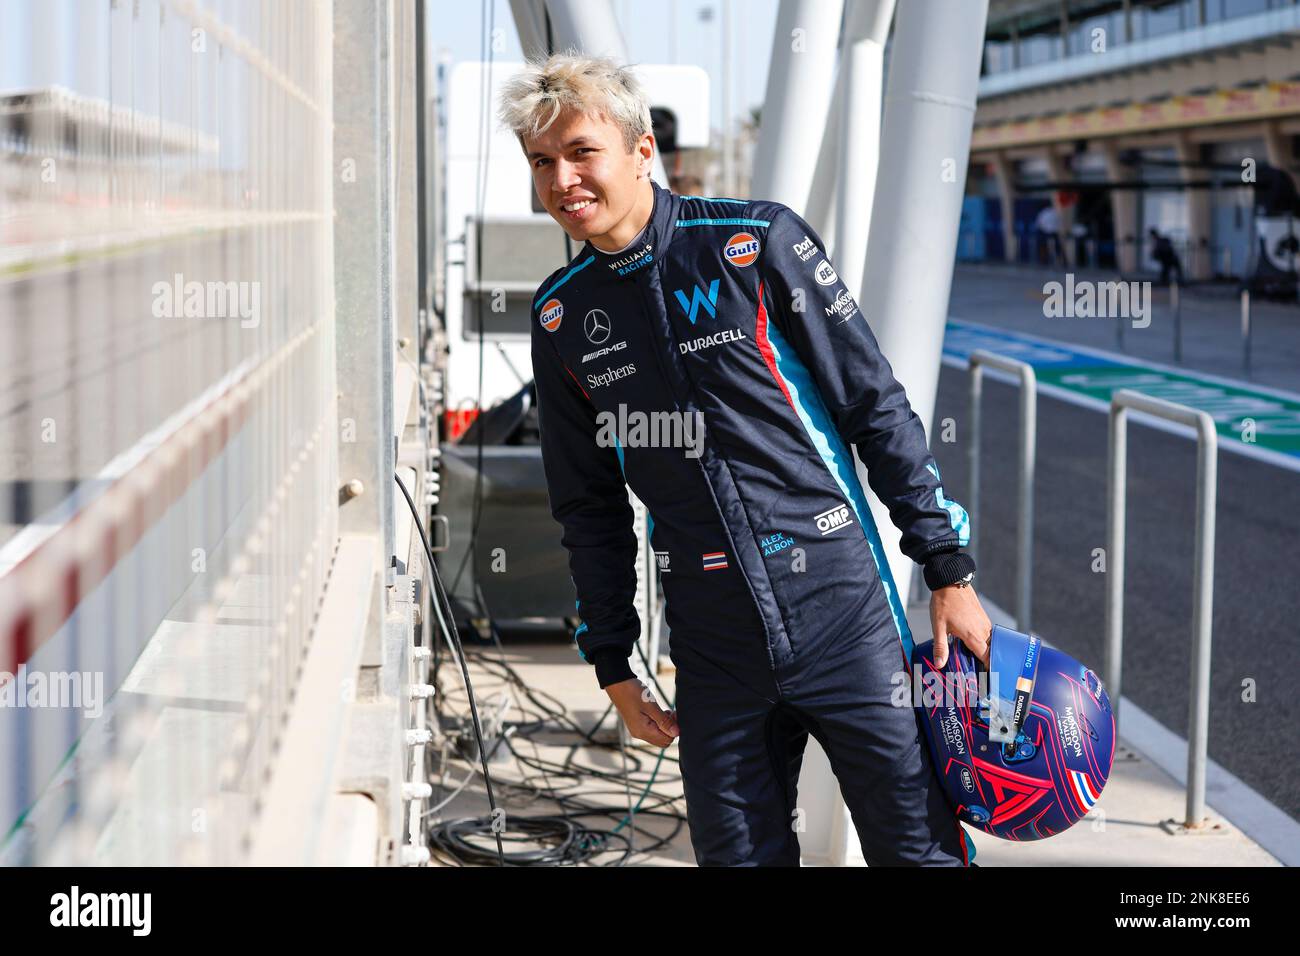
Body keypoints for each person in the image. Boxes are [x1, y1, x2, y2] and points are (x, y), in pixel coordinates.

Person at [499, 52, 992, 867]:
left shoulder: (751, 240)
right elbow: (585, 505)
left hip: (842, 609)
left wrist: (948, 568)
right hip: (713, 637)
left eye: (581, 151)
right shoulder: (562, 316)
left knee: (919, 853)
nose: (563, 180)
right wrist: (613, 659)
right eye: (542, 163)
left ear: (640, 148)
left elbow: (874, 406)